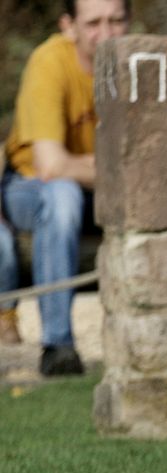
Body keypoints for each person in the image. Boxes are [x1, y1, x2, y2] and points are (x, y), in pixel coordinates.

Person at [0, 0, 130, 374]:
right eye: (93, 23)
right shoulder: (49, 62)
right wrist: (118, 168)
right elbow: (51, 166)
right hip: (28, 191)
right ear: (68, 26)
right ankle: (58, 346)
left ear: (130, 21)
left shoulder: (139, 64)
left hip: (100, 194)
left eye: (116, 20)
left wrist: (98, 168)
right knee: (62, 195)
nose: (106, 33)